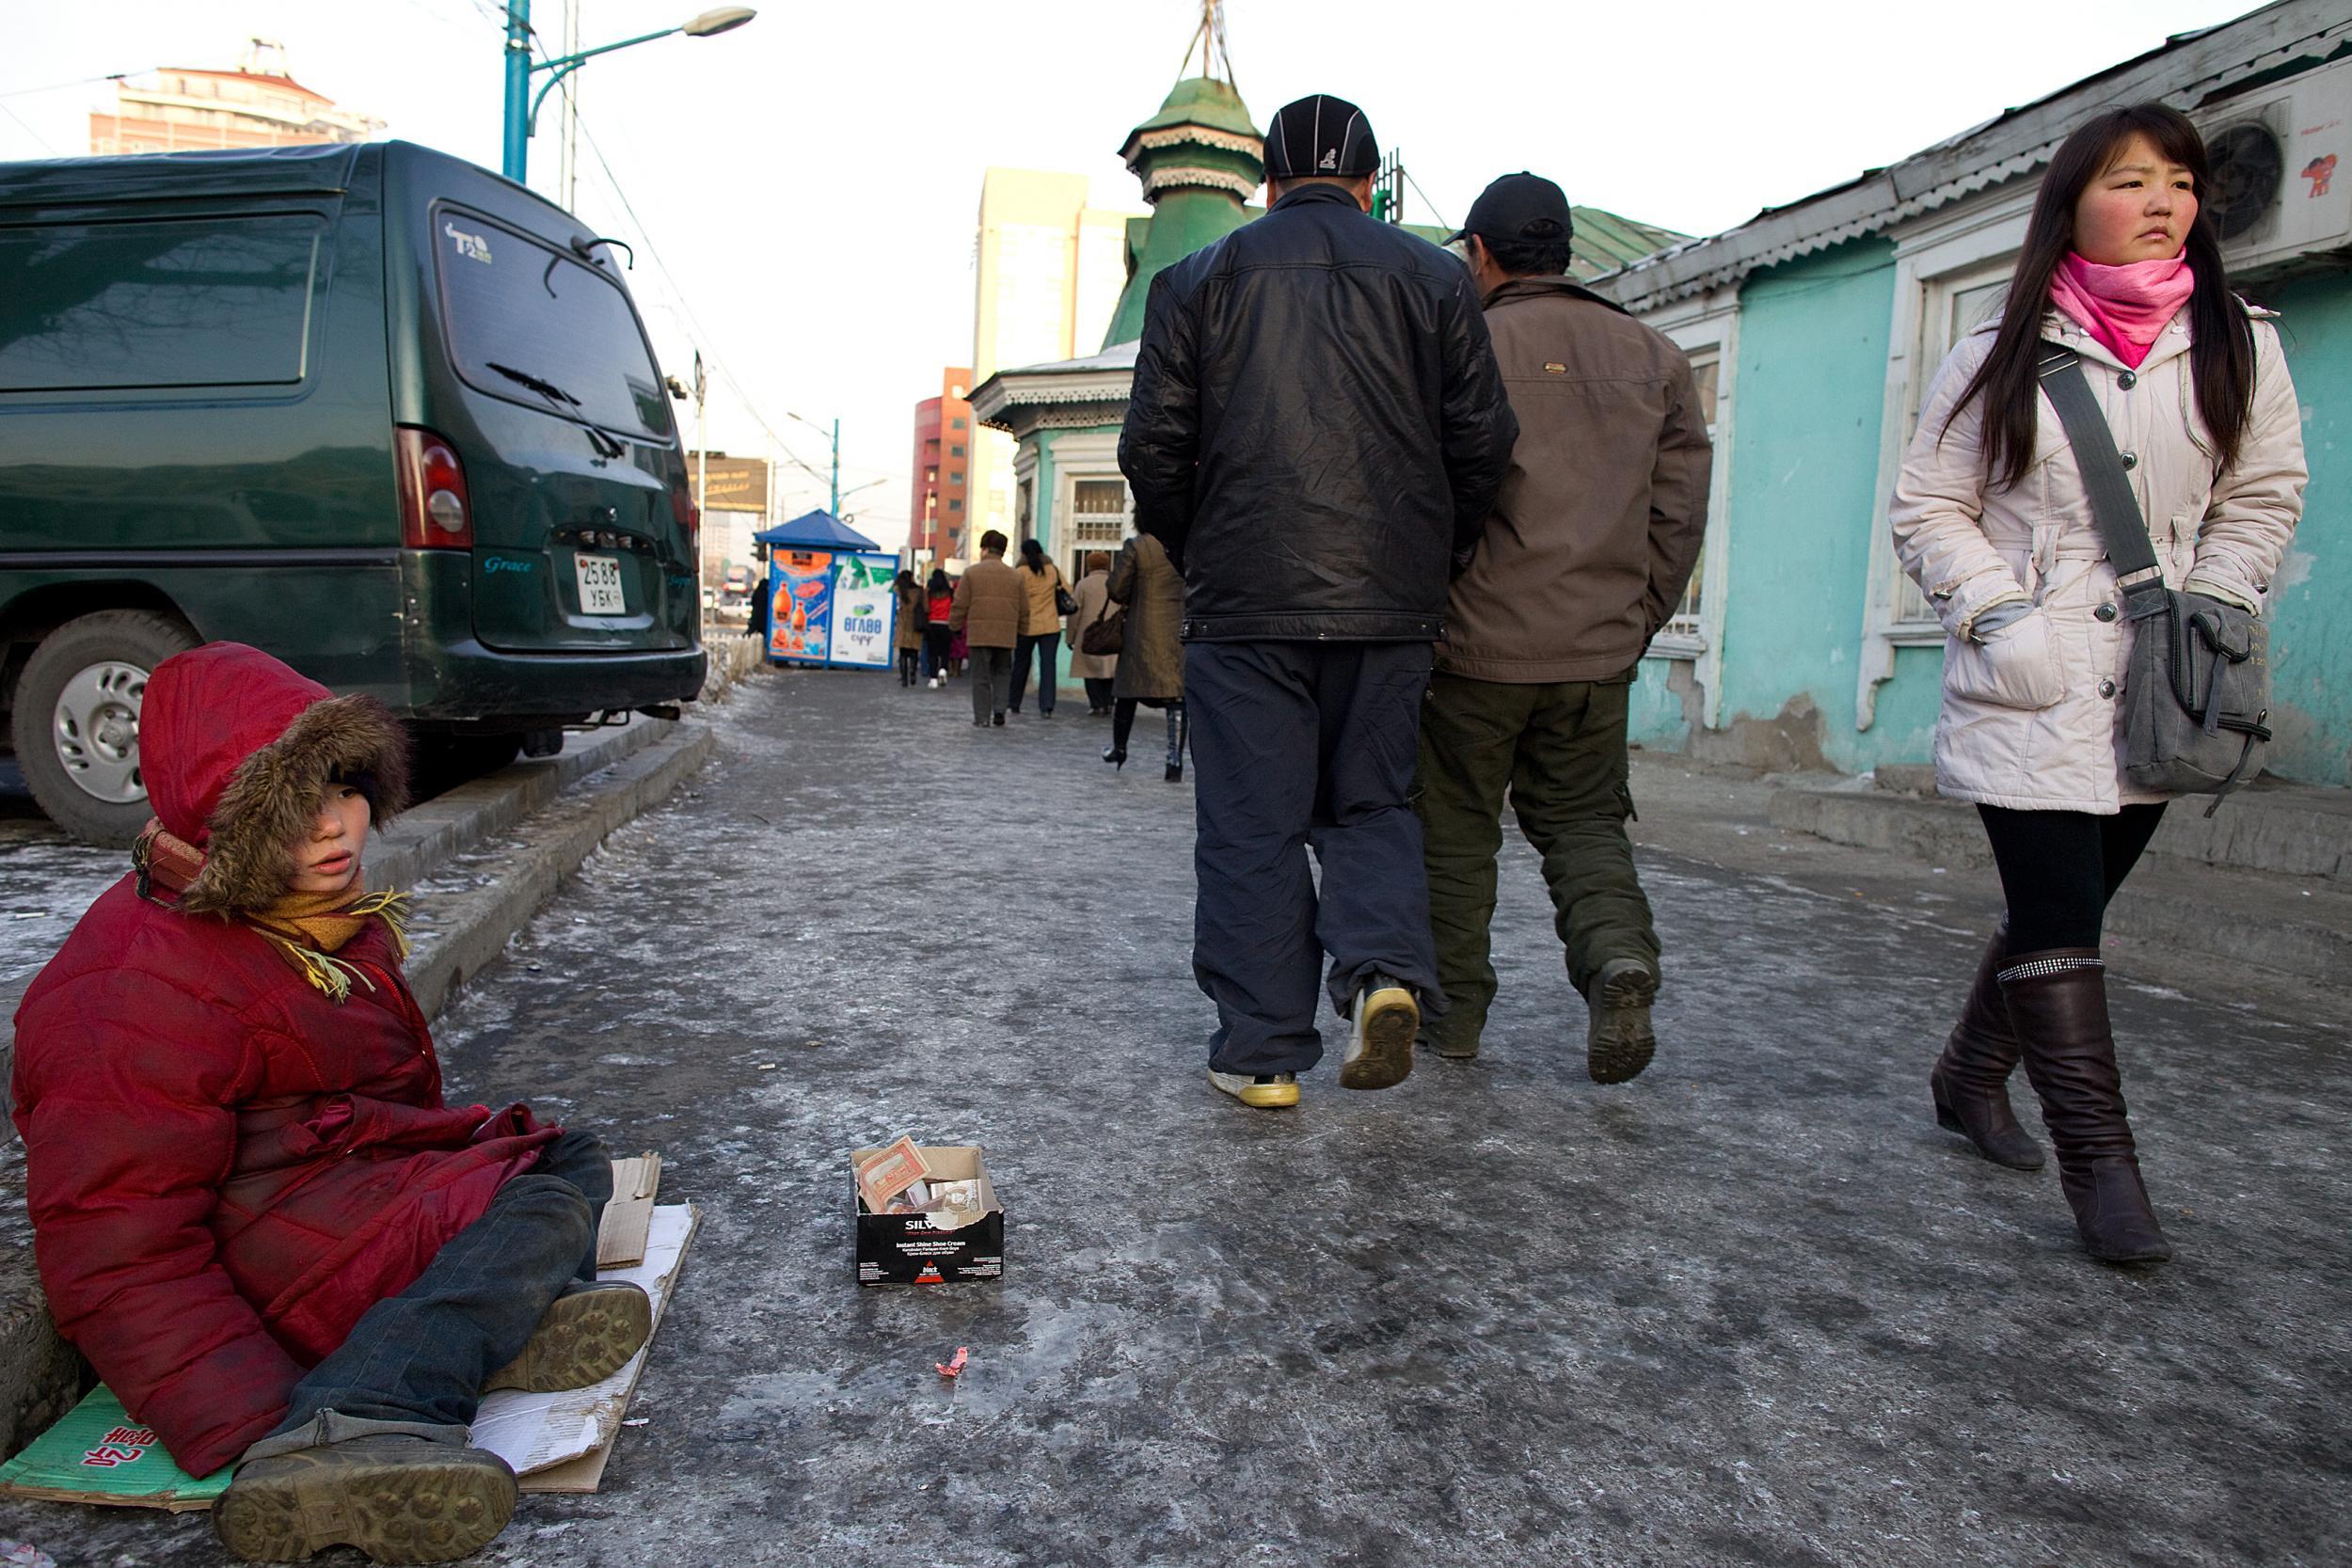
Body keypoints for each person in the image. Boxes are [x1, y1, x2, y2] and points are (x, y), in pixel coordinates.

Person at [10, 642, 650, 1564]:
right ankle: (363, 1410)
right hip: (272, 1273)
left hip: (325, 1200)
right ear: (216, 816)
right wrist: (259, 1421)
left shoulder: (297, 915)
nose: (332, 829)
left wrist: (441, 1166)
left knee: (564, 1158)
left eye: (346, 790)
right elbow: (115, 1248)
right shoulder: (121, 988)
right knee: (541, 1181)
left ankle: (464, 1330)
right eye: (288, 809)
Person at [1891, 103, 2304, 1265]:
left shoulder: (2240, 340)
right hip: (2030, 673)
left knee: (2062, 907)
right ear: (2072, 201)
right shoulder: (1998, 351)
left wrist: (2218, 602)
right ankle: (2101, 1165)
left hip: (2161, 682)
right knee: (2063, 911)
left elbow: (2261, 493)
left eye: (2179, 180)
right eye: (2130, 180)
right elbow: (1931, 504)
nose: (2164, 199)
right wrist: (1999, 615)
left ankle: (1967, 1073)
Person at [1120, 92, 1518, 1111]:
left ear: (1265, 177)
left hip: (1244, 604)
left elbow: (1153, 450)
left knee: (1252, 824)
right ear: (1369, 180)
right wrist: (1435, 552)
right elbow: (1481, 444)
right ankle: (1384, 972)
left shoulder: (1194, 280)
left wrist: (1198, 541)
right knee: (1372, 800)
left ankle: (1259, 1055)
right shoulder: (1436, 280)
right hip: (1390, 604)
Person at [1414, 173, 1711, 1082]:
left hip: (1470, 651)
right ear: (1566, 251)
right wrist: (1631, 621)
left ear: (1480, 253)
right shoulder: (1655, 356)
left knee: (1457, 834)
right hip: (1595, 651)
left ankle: (1454, 1017)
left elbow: (1422, 499)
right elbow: (1678, 513)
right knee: (1584, 824)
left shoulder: (1454, 345)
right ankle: (1617, 955)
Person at [1103, 531, 1186, 780]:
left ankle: (1119, 748)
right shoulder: (1184, 543)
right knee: (1176, 697)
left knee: (1128, 691)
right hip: (1176, 629)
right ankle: (1174, 761)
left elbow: (1117, 589)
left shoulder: (1137, 546)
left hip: (1142, 629)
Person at [949, 530, 1029, 726]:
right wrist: (1022, 631)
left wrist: (955, 626)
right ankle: (1000, 710)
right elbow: (1024, 608)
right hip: (1006, 634)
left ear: (984, 549)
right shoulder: (1016, 576)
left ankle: (983, 717)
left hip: (979, 634)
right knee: (1003, 673)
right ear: (1003, 551)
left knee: (981, 677)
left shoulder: (971, 573)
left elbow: (960, 604)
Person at [1008, 537, 1070, 718]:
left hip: (1027, 626)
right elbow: (1068, 589)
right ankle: (1047, 706)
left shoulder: (1020, 572)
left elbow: (1014, 597)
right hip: (1051, 626)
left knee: (1020, 665)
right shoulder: (1053, 570)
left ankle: (1014, 703)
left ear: (1024, 554)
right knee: (1048, 666)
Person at [1066, 549, 1120, 715]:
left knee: (1090, 671)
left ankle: (1097, 705)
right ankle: (1109, 703)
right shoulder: (1115, 582)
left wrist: (1071, 637)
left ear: (1089, 565)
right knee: (1110, 670)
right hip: (1111, 631)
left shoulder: (1083, 584)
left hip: (1088, 633)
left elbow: (1074, 612)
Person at [893, 568, 928, 688]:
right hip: (916, 622)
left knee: (903, 653)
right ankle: (912, 672)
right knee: (914, 651)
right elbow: (926, 607)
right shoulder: (919, 591)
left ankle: (904, 679)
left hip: (902, 623)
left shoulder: (898, 590)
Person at [924, 566, 956, 688]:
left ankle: (933, 679)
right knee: (945, 651)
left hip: (932, 624)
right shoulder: (950, 593)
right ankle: (943, 669)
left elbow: (926, 608)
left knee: (932, 653)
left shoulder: (929, 593)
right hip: (946, 624)